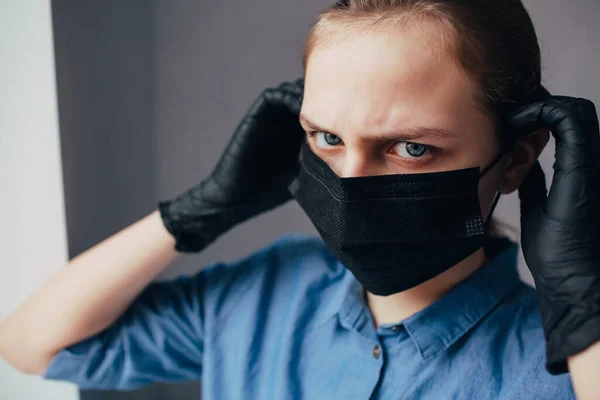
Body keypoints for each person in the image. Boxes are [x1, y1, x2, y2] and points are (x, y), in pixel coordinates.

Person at [1, 0, 599, 398]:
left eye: (411, 148)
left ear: (518, 157)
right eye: (329, 138)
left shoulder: (566, 366)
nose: (351, 180)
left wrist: (580, 302)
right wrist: (198, 210)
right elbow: (31, 345)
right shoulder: (263, 294)